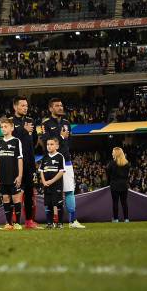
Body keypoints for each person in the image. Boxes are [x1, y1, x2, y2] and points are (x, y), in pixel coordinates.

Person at [41, 98, 85, 229]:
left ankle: (72, 221)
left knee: (70, 190)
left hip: (66, 161)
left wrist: (63, 143)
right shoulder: (46, 124)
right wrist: (60, 138)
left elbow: (69, 141)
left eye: (61, 105)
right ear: (50, 109)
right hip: (51, 163)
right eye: (57, 106)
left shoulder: (66, 123)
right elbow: (46, 143)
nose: (60, 107)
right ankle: (51, 222)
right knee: (51, 193)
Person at [10, 97, 39, 229]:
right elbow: (10, 140)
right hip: (15, 163)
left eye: (26, 105)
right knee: (14, 193)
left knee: (29, 193)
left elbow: (34, 140)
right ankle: (12, 222)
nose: (25, 108)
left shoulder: (30, 121)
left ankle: (29, 221)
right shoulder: (10, 122)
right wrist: (23, 131)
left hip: (30, 162)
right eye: (22, 105)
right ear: (15, 107)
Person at [0, 117, 24, 230]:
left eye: (5, 126)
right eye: (1, 127)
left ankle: (17, 223)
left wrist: (20, 175)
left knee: (16, 199)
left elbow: (20, 159)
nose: (3, 129)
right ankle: (8, 223)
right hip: (2, 176)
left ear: (12, 127)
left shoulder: (16, 141)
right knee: (5, 198)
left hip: (14, 175)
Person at [39, 138, 66, 228]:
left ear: (57, 146)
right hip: (47, 185)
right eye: (48, 144)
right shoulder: (44, 158)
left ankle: (60, 223)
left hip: (57, 185)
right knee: (48, 204)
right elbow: (41, 171)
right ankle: (50, 223)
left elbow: (61, 171)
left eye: (51, 144)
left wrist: (51, 181)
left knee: (58, 204)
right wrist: (43, 181)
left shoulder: (60, 156)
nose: (49, 146)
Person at [107, 147, 131, 222]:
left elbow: (108, 175)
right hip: (124, 185)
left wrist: (110, 182)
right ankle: (126, 219)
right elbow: (127, 176)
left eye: (113, 152)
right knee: (124, 202)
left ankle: (116, 219)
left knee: (115, 202)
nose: (112, 153)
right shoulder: (127, 164)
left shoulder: (111, 163)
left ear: (115, 153)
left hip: (114, 185)